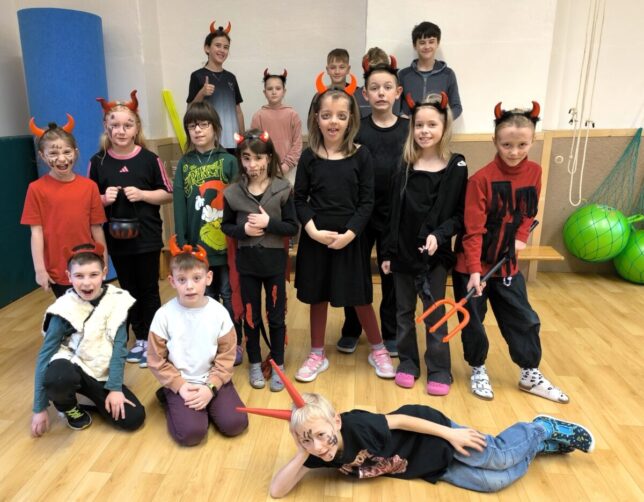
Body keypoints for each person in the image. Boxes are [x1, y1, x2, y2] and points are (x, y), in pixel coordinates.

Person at [237, 362, 594, 496]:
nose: (318, 445)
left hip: (431, 433)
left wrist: (451, 433)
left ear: (336, 421)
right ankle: (540, 445)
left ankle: (539, 428)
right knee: (492, 483)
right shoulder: (317, 453)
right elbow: (276, 491)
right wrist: (301, 451)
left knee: (499, 458)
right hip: (423, 464)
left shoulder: (358, 426)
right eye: (307, 440)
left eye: (319, 434)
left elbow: (401, 421)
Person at [452, 101, 569, 403]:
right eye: (507, 145)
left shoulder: (535, 172)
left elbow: (529, 212)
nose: (514, 152)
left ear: (533, 141)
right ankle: (478, 368)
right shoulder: (480, 180)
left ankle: (529, 373)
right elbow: (473, 230)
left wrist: (520, 237)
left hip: (507, 265)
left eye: (522, 145)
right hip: (472, 266)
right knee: (473, 321)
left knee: (522, 318)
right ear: (495, 141)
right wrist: (474, 271)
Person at [293, 82, 395, 382]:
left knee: (359, 297)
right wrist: (312, 231)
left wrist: (350, 234)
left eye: (340, 116)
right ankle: (316, 353)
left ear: (351, 119)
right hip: (316, 239)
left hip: (350, 240)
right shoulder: (309, 156)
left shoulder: (362, 156)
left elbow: (367, 202)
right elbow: (299, 199)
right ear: (316, 118)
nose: (333, 122)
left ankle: (378, 349)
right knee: (318, 296)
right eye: (326, 115)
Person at [381, 92, 468, 395]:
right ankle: (407, 362)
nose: (425, 131)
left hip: (435, 256)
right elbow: (393, 213)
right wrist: (388, 252)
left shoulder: (456, 165)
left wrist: (439, 235)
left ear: (444, 127)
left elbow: (459, 216)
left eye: (432, 124)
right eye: (419, 125)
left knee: (435, 313)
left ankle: (439, 368)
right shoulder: (404, 165)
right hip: (403, 253)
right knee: (403, 312)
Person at [88, 90, 173, 369]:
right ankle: (139, 338)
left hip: (147, 236)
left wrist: (143, 194)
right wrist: (103, 199)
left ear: (137, 128)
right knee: (127, 289)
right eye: (115, 125)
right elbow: (89, 200)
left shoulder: (149, 159)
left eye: (127, 125)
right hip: (117, 238)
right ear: (106, 128)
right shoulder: (98, 161)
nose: (121, 131)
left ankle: (153, 341)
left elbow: (168, 193)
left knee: (149, 288)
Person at [30, 242, 145, 437]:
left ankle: (95, 401)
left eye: (93, 274)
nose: (87, 283)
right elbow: (44, 357)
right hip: (72, 365)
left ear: (104, 273)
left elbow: (119, 348)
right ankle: (68, 407)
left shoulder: (117, 301)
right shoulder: (63, 309)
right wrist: (39, 408)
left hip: (99, 371)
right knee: (57, 377)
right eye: (79, 276)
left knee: (134, 418)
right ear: (69, 276)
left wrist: (115, 389)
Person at [337, 58, 408, 357]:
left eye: (387, 87)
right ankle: (352, 328)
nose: (381, 93)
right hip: (361, 213)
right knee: (356, 273)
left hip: (396, 215)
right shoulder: (357, 130)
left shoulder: (408, 129)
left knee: (392, 274)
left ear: (398, 92)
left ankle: (390, 331)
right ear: (364, 94)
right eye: (375, 88)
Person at [147, 238, 249, 446]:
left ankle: (208, 404)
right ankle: (169, 397)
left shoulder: (219, 313)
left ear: (208, 278)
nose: (190, 286)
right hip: (183, 382)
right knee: (191, 434)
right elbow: (156, 360)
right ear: (172, 281)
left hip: (213, 379)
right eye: (182, 280)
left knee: (236, 424)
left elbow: (227, 355)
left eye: (196, 278)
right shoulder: (163, 315)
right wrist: (180, 386)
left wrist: (211, 387)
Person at [221, 129, 298, 391]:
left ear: (268, 158)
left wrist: (269, 223)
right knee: (251, 317)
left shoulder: (283, 188)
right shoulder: (233, 193)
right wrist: (243, 230)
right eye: (246, 158)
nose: (252, 164)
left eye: (258, 158)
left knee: (276, 317)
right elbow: (226, 226)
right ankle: (254, 362)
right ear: (240, 160)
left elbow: (292, 227)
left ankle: (278, 364)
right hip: (248, 265)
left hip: (274, 264)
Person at [173, 101, 242, 363]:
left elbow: (239, 202)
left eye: (203, 124)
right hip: (197, 247)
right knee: (206, 297)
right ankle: (210, 344)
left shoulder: (229, 161)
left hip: (226, 243)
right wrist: (182, 241)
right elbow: (179, 204)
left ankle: (235, 343)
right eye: (192, 126)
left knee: (229, 293)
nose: (198, 130)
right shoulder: (185, 164)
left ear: (215, 127)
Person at [21, 115, 107, 297]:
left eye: (67, 152)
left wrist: (103, 261)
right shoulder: (36, 189)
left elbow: (96, 228)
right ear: (42, 156)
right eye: (53, 153)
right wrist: (40, 270)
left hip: (89, 265)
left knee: (93, 311)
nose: (61, 159)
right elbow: (36, 233)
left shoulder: (89, 186)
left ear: (75, 152)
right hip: (58, 269)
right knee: (69, 312)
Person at [187, 21, 244, 154]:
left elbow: (238, 111)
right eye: (218, 45)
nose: (222, 50)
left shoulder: (231, 77)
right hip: (208, 143)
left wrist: (242, 137)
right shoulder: (197, 76)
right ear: (207, 48)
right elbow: (190, 110)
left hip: (232, 142)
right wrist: (201, 93)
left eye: (226, 47)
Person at [399, 21, 463, 119]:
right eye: (422, 43)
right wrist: (402, 117)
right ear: (414, 45)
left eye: (431, 42)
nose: (427, 46)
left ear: (438, 43)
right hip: (409, 128)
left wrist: (442, 119)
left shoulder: (448, 74)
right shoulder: (403, 75)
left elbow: (457, 107)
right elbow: (395, 105)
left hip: (437, 128)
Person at [250, 69, 302, 186]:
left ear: (284, 91)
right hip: (265, 170)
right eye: (270, 89)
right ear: (264, 92)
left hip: (289, 170)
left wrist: (286, 165)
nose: (274, 92)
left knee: (289, 195)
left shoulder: (293, 115)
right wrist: (266, 164)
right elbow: (255, 145)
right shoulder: (258, 116)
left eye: (278, 88)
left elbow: (297, 144)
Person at [354, 48, 402, 118]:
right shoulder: (356, 96)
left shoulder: (395, 95)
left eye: (382, 70)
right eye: (373, 71)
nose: (381, 93)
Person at [308, 48, 355, 116]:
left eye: (342, 67)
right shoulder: (320, 95)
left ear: (348, 69)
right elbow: (312, 119)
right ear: (327, 70)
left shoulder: (357, 93)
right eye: (333, 67)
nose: (337, 72)